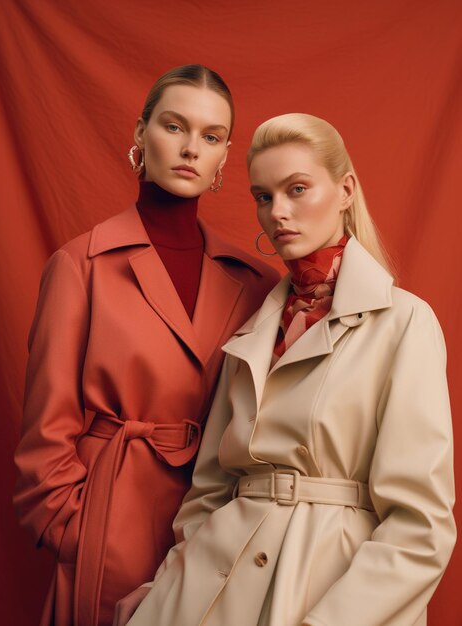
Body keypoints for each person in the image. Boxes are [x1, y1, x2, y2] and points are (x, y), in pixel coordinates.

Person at [118, 113, 456, 626]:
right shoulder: (253, 330)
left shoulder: (403, 322)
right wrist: (164, 585)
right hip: (200, 595)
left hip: (313, 591)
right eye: (263, 196)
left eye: (297, 189)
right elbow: (208, 493)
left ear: (345, 191)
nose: (278, 212)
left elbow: (420, 529)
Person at [13, 64, 279, 626]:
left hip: (214, 535)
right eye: (173, 126)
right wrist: (76, 533)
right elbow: (44, 436)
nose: (190, 148)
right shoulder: (80, 265)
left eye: (210, 136)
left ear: (225, 157)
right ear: (140, 133)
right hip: (108, 524)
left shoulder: (256, 281)